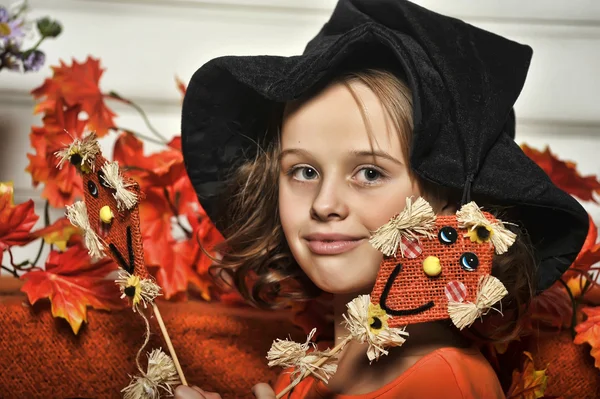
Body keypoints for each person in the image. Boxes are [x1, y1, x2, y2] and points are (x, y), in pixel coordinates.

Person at [176, 1, 589, 398]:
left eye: (369, 173)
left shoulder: (444, 382)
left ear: (447, 206)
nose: (324, 203)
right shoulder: (302, 372)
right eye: (304, 171)